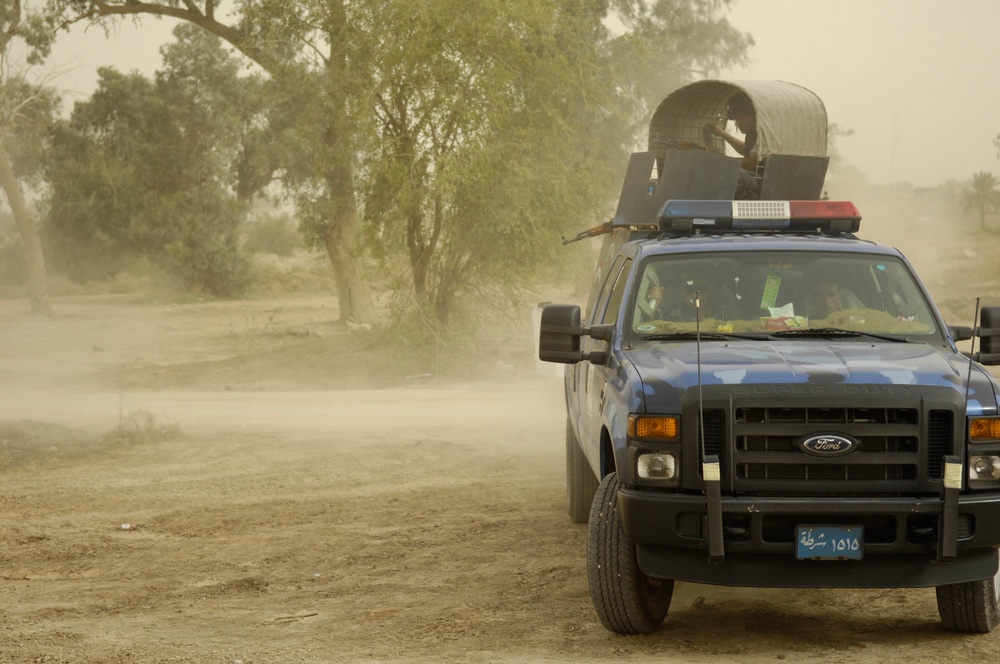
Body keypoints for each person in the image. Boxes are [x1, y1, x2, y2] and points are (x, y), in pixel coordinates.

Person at [704, 92, 761, 199]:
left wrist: (717, 159)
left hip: (762, 185)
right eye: (737, 117)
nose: (740, 121)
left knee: (725, 171)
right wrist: (722, 134)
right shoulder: (752, 134)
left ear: (755, 115)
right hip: (755, 182)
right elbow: (746, 150)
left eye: (744, 116)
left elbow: (750, 164)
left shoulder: (763, 134)